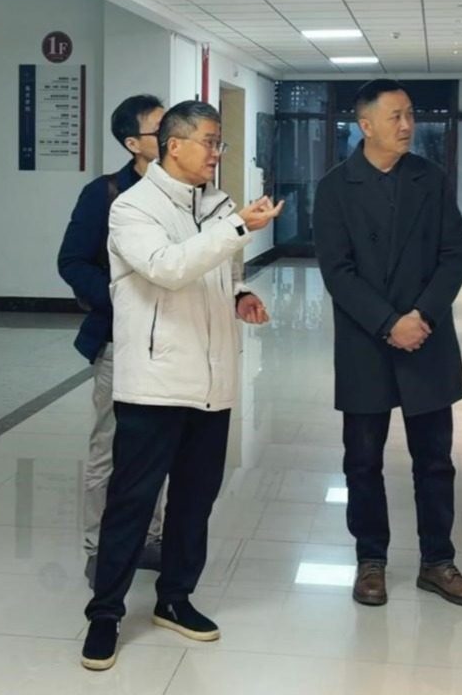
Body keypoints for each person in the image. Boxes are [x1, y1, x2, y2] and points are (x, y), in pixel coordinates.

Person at [80, 101, 283, 671]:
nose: (218, 153)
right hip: (156, 384)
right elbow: (168, 268)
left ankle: (175, 597)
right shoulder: (132, 208)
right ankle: (105, 613)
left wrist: (240, 294)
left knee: (195, 501)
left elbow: (222, 272)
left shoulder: (217, 203)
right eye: (210, 142)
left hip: (212, 381)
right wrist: (239, 227)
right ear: (174, 145)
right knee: (132, 502)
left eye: (219, 143)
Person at [313, 79, 462, 609]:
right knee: (362, 460)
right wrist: (389, 323)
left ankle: (438, 561)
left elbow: (454, 254)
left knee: (435, 459)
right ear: (365, 125)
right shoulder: (335, 187)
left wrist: (422, 316)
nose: (408, 125)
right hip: (366, 340)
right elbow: (337, 272)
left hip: (426, 338)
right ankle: (371, 560)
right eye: (396, 116)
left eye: (410, 114)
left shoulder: (430, 178)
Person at [57, 94, 168, 588]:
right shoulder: (104, 194)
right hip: (119, 341)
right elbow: (72, 261)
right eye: (159, 131)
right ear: (132, 144)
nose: (171, 137)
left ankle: (151, 537)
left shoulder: (187, 192)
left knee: (159, 447)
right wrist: (122, 301)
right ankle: (98, 547)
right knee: (109, 447)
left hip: (173, 343)